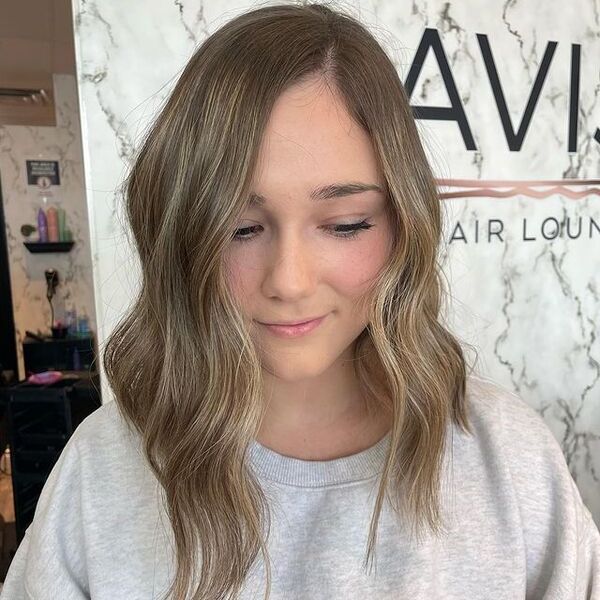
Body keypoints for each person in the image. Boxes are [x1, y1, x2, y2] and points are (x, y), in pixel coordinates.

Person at [2, 2, 599, 599]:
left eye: (344, 225)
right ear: (184, 232)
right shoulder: (104, 471)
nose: (287, 280)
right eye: (240, 228)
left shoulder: (510, 463)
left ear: (403, 223)